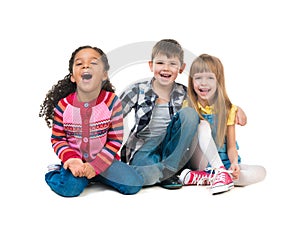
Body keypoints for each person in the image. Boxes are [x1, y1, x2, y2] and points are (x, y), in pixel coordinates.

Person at [119, 39, 247, 190]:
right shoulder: (136, 90)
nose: (166, 68)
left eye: (173, 64)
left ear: (181, 68)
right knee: (147, 177)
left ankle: (170, 170)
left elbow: (210, 101)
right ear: (150, 65)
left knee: (190, 114)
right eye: (160, 63)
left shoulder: (186, 93)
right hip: (145, 147)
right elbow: (113, 117)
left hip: (172, 149)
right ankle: (160, 173)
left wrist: (235, 108)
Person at [39, 45, 144, 197]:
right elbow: (58, 139)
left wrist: (96, 167)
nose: (86, 66)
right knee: (70, 189)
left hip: (106, 161)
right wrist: (71, 159)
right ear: (73, 77)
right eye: (79, 64)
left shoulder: (112, 102)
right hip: (77, 163)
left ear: (104, 75)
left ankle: (97, 175)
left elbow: (115, 140)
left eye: (93, 63)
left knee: (133, 184)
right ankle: (56, 173)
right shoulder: (63, 106)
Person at [179, 53, 266, 194]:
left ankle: (212, 177)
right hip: (200, 160)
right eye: (198, 78)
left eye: (210, 78)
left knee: (261, 172)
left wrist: (234, 164)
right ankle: (219, 173)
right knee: (203, 126)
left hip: (224, 161)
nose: (203, 83)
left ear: (218, 81)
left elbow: (231, 147)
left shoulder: (229, 109)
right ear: (192, 80)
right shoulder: (188, 106)